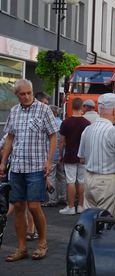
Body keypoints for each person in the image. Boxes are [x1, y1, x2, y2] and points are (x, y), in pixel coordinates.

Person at [0, 79, 57, 261]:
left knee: (34, 206)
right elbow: (9, 138)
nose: (26, 97)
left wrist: (49, 161)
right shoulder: (14, 111)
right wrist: (3, 161)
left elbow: (53, 136)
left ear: (32, 92)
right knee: (18, 206)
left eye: (28, 93)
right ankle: (22, 247)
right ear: (16, 95)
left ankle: (41, 242)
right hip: (17, 166)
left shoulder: (44, 109)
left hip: (36, 166)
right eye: (22, 94)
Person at [59, 98, 90, 215]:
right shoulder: (87, 123)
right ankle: (81, 206)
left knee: (70, 181)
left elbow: (62, 142)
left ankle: (71, 207)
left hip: (70, 154)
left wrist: (61, 155)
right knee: (81, 181)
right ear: (82, 107)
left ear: (72, 107)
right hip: (83, 156)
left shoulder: (66, 122)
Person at [43, 105, 67, 207]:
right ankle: (63, 197)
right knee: (61, 176)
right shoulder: (62, 123)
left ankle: (53, 199)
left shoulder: (48, 124)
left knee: (51, 177)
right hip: (61, 154)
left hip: (51, 154)